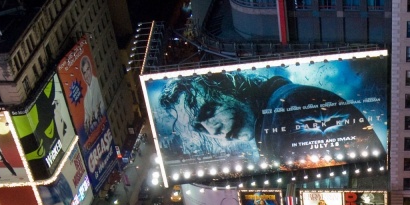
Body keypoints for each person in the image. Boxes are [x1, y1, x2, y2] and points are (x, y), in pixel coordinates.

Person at [155, 71, 386, 166]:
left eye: (208, 111)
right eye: (200, 129)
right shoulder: (274, 115)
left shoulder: (288, 106)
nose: (212, 129)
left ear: (229, 88)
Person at [80, 56, 105, 136]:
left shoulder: (98, 83)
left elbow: (103, 107)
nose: (87, 74)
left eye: (88, 69)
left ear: (91, 68)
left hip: (104, 126)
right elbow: (86, 122)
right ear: (82, 75)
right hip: (97, 134)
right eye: (84, 72)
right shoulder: (85, 99)